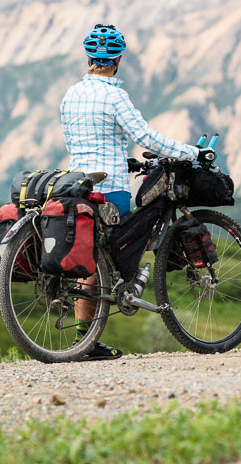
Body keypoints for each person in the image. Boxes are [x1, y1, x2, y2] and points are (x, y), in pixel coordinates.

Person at [59, 23, 199, 360]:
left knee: (92, 264)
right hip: (111, 187)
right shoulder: (114, 95)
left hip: (77, 182)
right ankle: (133, 283)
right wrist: (190, 152)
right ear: (118, 59)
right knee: (123, 250)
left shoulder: (71, 95)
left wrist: (125, 159)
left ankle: (85, 341)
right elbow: (146, 137)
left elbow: (87, 140)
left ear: (89, 57)